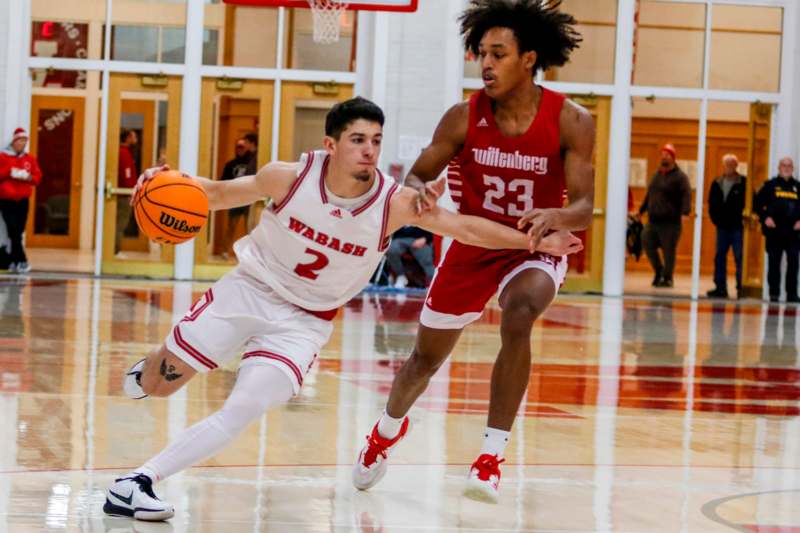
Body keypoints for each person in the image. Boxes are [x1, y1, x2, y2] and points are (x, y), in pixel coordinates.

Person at [103, 97, 583, 521]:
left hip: (304, 322)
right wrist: (166, 180)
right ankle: (145, 372)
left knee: (245, 407)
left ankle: (137, 483)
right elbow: (218, 192)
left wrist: (534, 240)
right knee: (155, 387)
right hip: (247, 290)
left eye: (376, 140)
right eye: (357, 140)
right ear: (331, 145)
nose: (370, 150)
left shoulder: (395, 203)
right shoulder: (288, 177)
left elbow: (468, 228)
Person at [352, 0, 594, 504]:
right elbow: (417, 173)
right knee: (424, 358)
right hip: (473, 243)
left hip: (535, 245)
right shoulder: (463, 116)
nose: (485, 63)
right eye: (481, 53)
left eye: (497, 53)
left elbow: (587, 206)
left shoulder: (572, 120)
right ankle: (386, 430)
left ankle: (490, 456)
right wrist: (422, 190)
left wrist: (559, 216)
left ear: (528, 59)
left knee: (521, 311)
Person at [637, 144, 691, 288]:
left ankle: (667, 278)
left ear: (673, 157)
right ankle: (659, 271)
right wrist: (641, 210)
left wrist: (685, 212)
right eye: (662, 154)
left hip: (671, 222)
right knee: (646, 242)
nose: (664, 157)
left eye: (667, 154)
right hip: (653, 220)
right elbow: (650, 195)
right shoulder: (657, 175)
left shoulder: (680, 177)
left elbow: (686, 194)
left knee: (669, 251)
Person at [755, 157, 800, 303]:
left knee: (793, 263)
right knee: (774, 263)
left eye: (789, 166)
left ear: (792, 169)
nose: (786, 168)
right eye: (784, 165)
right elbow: (757, 204)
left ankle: (792, 294)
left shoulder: (798, 186)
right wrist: (765, 218)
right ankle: (774, 293)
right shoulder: (769, 185)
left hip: (793, 232)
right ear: (778, 167)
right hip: (774, 232)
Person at [0, 128, 42, 273]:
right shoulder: (3, 157)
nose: (22, 144)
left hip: (23, 200)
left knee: (18, 230)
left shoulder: (30, 159)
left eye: (24, 141)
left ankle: (13, 260)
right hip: (6, 199)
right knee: (13, 230)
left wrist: (29, 177)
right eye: (20, 140)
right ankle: (22, 261)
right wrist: (10, 172)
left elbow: (37, 178)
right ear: (14, 141)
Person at [707, 154, 746, 298]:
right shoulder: (717, 182)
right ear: (723, 165)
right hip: (722, 227)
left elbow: (750, 202)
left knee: (739, 256)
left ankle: (741, 287)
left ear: (736, 166)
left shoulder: (744, 183)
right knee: (719, 256)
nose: (729, 166)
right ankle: (720, 287)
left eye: (732, 164)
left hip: (737, 227)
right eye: (727, 164)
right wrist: (715, 220)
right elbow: (711, 203)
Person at [219, 138, 254, 258]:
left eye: (242, 147)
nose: (240, 150)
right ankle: (224, 252)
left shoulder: (252, 163)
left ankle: (249, 255)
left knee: (250, 229)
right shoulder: (230, 164)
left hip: (249, 199)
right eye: (238, 147)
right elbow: (223, 181)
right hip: (234, 200)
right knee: (231, 227)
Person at [117, 129, 139, 251]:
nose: (135, 139)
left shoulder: (126, 152)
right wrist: (130, 191)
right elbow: (127, 174)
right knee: (121, 223)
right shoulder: (124, 153)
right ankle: (115, 251)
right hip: (124, 194)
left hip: (125, 193)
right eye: (133, 136)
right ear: (128, 137)